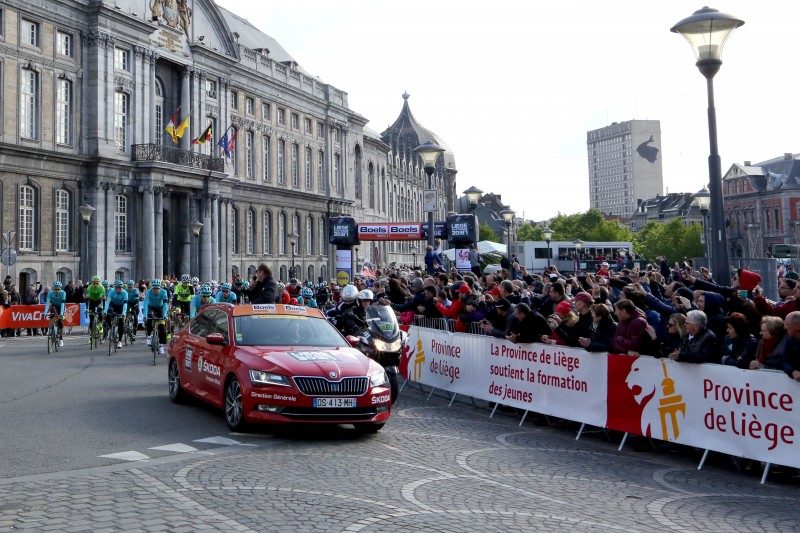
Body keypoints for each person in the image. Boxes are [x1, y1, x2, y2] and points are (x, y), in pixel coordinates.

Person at [142, 279, 170, 355]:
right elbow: (146, 304)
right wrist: (144, 316)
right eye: (154, 288)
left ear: (160, 287)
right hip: (151, 307)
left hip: (160, 308)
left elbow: (165, 304)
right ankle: (149, 336)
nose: (156, 290)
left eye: (157, 288)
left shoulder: (164, 292)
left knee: (161, 326)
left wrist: (164, 315)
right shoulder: (148, 292)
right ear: (152, 288)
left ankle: (160, 345)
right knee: (149, 318)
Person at [103, 280, 129, 350]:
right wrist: (105, 311)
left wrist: (123, 313)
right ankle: (110, 329)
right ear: (115, 287)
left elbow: (125, 305)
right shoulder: (111, 292)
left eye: (121, 287)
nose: (120, 289)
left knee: (121, 323)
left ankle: (120, 341)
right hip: (113, 306)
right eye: (118, 287)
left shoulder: (125, 293)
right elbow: (107, 302)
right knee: (108, 314)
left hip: (121, 307)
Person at [43, 280, 67, 347]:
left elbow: (63, 304)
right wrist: (45, 312)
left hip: (61, 306)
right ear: (53, 289)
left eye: (58, 289)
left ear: (60, 288)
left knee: (60, 322)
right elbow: (47, 303)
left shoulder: (63, 293)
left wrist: (61, 314)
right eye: (55, 289)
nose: (56, 290)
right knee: (52, 315)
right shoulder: (50, 293)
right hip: (54, 306)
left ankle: (61, 339)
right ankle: (51, 328)